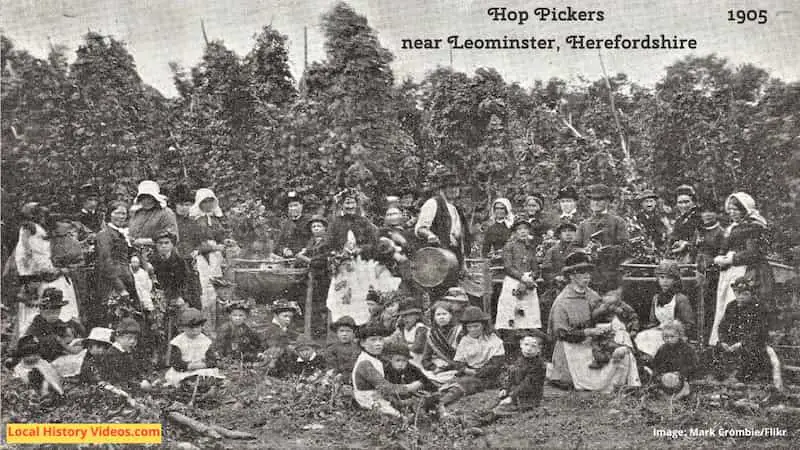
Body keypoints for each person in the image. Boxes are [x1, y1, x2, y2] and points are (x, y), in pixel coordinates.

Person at [547, 252, 640, 392]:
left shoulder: (592, 295)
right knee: (591, 378)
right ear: (571, 276)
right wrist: (587, 332)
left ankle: (628, 380)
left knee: (621, 341)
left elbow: (602, 315)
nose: (587, 276)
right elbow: (560, 333)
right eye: (582, 273)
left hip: (593, 342)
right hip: (571, 347)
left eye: (589, 272)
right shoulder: (562, 302)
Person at [709, 192, 775, 346]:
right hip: (728, 270)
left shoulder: (753, 226)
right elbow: (724, 247)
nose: (732, 213)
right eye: (730, 209)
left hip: (744, 270)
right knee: (725, 304)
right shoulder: (732, 227)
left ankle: (740, 342)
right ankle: (722, 341)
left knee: (738, 302)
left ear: (745, 209)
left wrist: (732, 258)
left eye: (736, 209)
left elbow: (753, 253)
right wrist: (720, 257)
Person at [438, 306, 506, 416]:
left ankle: (441, 402)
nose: (473, 330)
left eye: (476, 326)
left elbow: (496, 363)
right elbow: (458, 361)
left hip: (487, 375)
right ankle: (434, 399)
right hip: (469, 371)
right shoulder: (465, 340)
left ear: (483, 325)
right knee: (448, 382)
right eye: (469, 327)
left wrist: (478, 372)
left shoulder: (493, 340)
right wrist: (465, 369)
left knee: (463, 384)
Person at [352, 322, 423, 418]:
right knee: (401, 418)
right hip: (367, 400)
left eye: (380, 339)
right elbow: (385, 387)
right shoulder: (365, 363)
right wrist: (410, 387)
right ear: (363, 343)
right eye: (373, 340)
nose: (378, 344)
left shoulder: (375, 358)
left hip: (377, 396)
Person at [712, 277, 772, 384]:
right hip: (733, 342)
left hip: (753, 343)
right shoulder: (731, 306)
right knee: (716, 349)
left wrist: (742, 343)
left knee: (751, 351)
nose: (740, 297)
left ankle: (741, 377)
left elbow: (758, 332)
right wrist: (724, 341)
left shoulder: (759, 307)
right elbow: (722, 327)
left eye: (745, 294)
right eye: (737, 293)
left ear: (751, 294)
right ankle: (720, 377)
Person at [575, 184, 629, 293]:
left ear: (608, 202)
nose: (596, 202)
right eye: (593, 199)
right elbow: (574, 247)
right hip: (588, 276)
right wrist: (584, 250)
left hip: (610, 276)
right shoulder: (584, 225)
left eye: (600, 199)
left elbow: (625, 248)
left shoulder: (617, 222)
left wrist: (605, 250)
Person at [634, 260, 695, 357]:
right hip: (659, 332)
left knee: (658, 342)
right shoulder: (656, 298)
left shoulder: (680, 299)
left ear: (675, 280)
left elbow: (689, 324)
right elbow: (653, 322)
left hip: (675, 335)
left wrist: (673, 328)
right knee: (642, 337)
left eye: (669, 278)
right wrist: (654, 328)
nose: (665, 281)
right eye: (662, 278)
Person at [415, 164, 472, 268]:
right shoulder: (433, 203)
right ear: (442, 189)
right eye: (450, 186)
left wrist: (463, 262)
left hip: (453, 258)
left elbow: (461, 239)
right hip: (435, 257)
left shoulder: (457, 210)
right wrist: (430, 235)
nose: (454, 189)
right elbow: (421, 229)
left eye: (456, 186)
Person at [188, 188, 230, 330]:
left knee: (218, 288)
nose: (207, 204)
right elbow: (193, 244)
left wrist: (225, 243)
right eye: (204, 202)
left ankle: (218, 323)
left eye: (210, 201)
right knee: (206, 290)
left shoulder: (216, 219)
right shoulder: (194, 221)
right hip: (202, 259)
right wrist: (211, 248)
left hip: (217, 258)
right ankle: (206, 326)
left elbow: (221, 237)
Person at [496, 221, 542, 344]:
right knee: (511, 313)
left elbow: (536, 268)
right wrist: (522, 278)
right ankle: (510, 343)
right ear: (515, 232)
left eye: (525, 229)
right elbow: (508, 266)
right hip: (512, 281)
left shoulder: (530, 247)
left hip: (529, 283)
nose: (523, 232)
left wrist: (531, 278)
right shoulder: (509, 246)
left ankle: (528, 342)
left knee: (528, 314)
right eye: (520, 229)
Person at [93, 201, 137, 328]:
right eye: (117, 213)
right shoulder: (105, 234)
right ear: (109, 215)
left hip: (125, 278)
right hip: (111, 282)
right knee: (114, 318)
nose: (121, 216)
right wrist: (120, 287)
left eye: (124, 213)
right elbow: (106, 261)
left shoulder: (121, 233)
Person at [164, 308, 224, 388]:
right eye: (191, 328)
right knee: (180, 378)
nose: (195, 330)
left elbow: (212, 359)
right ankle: (188, 384)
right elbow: (176, 362)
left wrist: (204, 365)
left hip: (201, 368)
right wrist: (190, 366)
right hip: (185, 370)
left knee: (209, 374)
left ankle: (201, 384)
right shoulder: (178, 342)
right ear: (183, 327)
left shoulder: (205, 340)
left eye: (198, 327)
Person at [493, 330, 548, 415]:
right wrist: (505, 388)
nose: (529, 349)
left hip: (528, 398)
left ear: (539, 349)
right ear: (521, 344)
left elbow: (527, 384)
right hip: (514, 392)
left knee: (498, 410)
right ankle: (471, 419)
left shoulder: (539, 365)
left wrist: (512, 397)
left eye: (533, 346)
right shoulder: (520, 359)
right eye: (526, 345)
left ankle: (476, 421)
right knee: (492, 404)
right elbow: (511, 376)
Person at [23, 288, 85, 363]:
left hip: (59, 357)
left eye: (57, 311)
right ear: (42, 309)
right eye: (50, 311)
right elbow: (28, 343)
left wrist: (69, 336)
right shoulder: (37, 324)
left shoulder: (58, 322)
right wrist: (59, 341)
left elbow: (68, 335)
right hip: (42, 359)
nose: (54, 315)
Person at [296, 215, 332, 336]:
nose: (316, 228)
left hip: (323, 277)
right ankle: (314, 328)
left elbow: (320, 261)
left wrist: (303, 257)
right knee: (309, 302)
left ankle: (323, 329)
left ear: (324, 228)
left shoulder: (327, 242)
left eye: (319, 226)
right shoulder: (311, 242)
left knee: (322, 303)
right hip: (310, 277)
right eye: (313, 226)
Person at [588, 287, 639, 369]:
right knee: (598, 346)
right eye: (607, 296)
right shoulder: (599, 305)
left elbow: (633, 317)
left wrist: (634, 329)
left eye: (613, 295)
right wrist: (601, 310)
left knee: (626, 345)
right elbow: (592, 318)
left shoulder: (623, 306)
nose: (610, 305)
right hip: (603, 332)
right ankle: (601, 359)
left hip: (620, 331)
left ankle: (634, 362)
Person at [695, 200, 724, 339]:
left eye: (710, 212)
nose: (707, 215)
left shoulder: (721, 233)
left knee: (709, 307)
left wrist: (710, 265)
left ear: (717, 214)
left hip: (713, 275)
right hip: (698, 273)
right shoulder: (699, 230)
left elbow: (722, 255)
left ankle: (708, 339)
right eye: (704, 212)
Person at [649, 320, 696, 399]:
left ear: (679, 335)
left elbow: (693, 365)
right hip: (666, 378)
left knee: (684, 389)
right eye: (666, 337)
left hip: (682, 378)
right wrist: (660, 374)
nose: (669, 339)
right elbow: (656, 365)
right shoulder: (662, 349)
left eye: (672, 336)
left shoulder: (687, 349)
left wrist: (681, 373)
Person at [383, 342, 436, 411]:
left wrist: (420, 383)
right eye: (397, 360)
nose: (401, 364)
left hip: (414, 399)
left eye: (404, 361)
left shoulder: (412, 368)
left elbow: (427, 382)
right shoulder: (387, 370)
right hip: (397, 399)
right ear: (390, 359)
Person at [420, 301, 464, 384]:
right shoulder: (432, 334)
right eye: (438, 315)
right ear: (434, 317)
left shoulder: (459, 331)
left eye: (444, 314)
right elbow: (425, 359)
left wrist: (445, 368)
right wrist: (434, 368)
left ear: (451, 315)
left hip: (454, 367)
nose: (441, 317)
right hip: (436, 367)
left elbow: (462, 357)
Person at [103, 318, 151, 389]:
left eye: (135, 338)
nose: (132, 341)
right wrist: (139, 385)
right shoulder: (112, 354)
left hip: (130, 386)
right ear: (118, 338)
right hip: (117, 388)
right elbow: (118, 378)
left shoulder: (128, 352)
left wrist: (144, 379)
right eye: (129, 338)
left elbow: (136, 370)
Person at [389, 297, 428, 366]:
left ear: (417, 316)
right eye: (403, 316)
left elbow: (417, 347)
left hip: (419, 360)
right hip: (407, 358)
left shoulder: (420, 328)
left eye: (409, 315)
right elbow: (401, 342)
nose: (405, 319)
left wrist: (402, 347)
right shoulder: (404, 329)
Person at [261, 299, 301, 367]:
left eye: (290, 317)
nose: (288, 319)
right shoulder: (270, 329)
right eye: (285, 316)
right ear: (276, 315)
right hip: (271, 361)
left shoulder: (287, 329)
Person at [668, 185, 701, 263]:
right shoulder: (679, 220)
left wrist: (687, 244)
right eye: (680, 202)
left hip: (696, 259)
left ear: (693, 202)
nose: (683, 206)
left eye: (687, 202)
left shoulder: (700, 218)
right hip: (680, 258)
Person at [276, 191, 310, 258]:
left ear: (301, 206)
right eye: (290, 206)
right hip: (288, 260)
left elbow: (315, 240)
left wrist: (306, 250)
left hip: (305, 258)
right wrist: (284, 250)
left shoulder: (309, 221)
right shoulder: (286, 224)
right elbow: (279, 244)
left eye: (296, 205)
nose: (293, 208)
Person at [325, 316, 360, 381]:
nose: (344, 334)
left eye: (348, 331)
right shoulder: (331, 349)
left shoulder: (358, 348)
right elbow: (331, 367)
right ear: (337, 333)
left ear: (353, 333)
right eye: (341, 331)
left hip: (356, 378)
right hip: (337, 379)